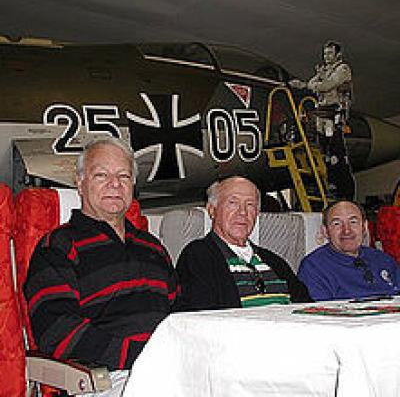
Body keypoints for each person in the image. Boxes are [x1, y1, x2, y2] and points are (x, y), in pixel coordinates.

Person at [23, 138, 179, 396]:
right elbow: (57, 332)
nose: (114, 184)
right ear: (80, 183)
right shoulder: (59, 246)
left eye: (123, 176)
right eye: (101, 175)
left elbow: (178, 315)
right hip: (106, 378)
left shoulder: (153, 247)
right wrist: (143, 355)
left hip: (171, 368)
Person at [175, 176, 311, 311]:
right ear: (212, 210)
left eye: (250, 204)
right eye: (233, 203)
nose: (242, 212)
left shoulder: (275, 262)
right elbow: (200, 316)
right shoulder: (198, 257)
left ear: (256, 213)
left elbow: (306, 308)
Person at [298, 200, 400, 301]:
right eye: (337, 224)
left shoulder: (384, 260)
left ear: (364, 227)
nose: (347, 230)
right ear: (325, 231)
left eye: (353, 222)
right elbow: (319, 310)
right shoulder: (314, 267)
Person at [290, 40, 355, 200]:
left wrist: (313, 84)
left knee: (336, 154)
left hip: (334, 114)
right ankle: (330, 186)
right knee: (324, 153)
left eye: (330, 53)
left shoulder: (343, 69)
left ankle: (344, 190)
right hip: (323, 114)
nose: (326, 56)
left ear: (338, 54)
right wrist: (307, 84)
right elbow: (313, 83)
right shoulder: (325, 70)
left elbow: (327, 85)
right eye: (325, 53)